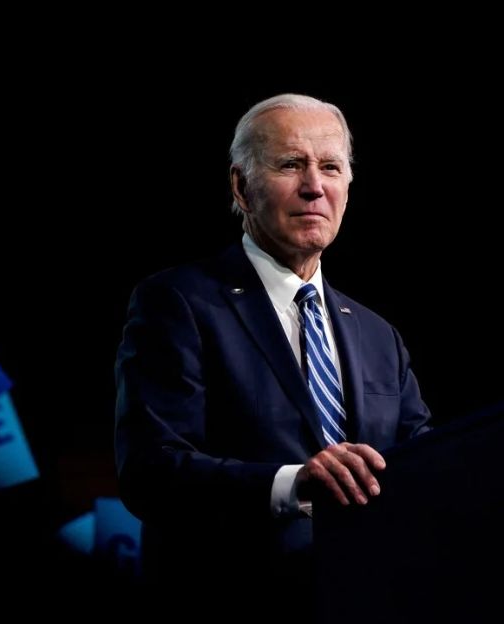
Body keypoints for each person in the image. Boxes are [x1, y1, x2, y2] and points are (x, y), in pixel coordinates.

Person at [114, 93, 432, 618]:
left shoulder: (380, 335)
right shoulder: (178, 303)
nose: (314, 186)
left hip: (370, 600)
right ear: (241, 187)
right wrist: (294, 482)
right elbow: (152, 471)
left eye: (331, 167)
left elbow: (423, 466)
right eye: (291, 164)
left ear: (348, 188)